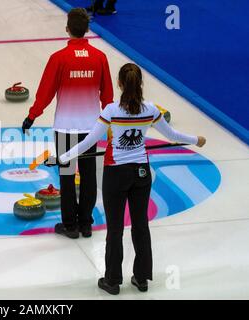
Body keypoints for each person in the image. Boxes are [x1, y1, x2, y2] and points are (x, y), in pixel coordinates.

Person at [56, 63, 206, 294]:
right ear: (140, 84)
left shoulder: (111, 110)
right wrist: (196, 139)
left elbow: (87, 143)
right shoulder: (151, 110)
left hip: (116, 173)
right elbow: (173, 136)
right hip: (141, 173)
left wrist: (64, 156)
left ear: (119, 83)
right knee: (140, 226)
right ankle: (142, 278)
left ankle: (113, 281)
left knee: (115, 229)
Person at [22, 8, 114, 239]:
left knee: (66, 174)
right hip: (92, 127)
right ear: (87, 29)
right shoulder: (100, 58)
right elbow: (108, 96)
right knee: (89, 175)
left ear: (67, 29)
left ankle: (70, 226)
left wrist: (32, 116)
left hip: (65, 127)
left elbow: (45, 93)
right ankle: (85, 223)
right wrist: (111, 124)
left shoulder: (59, 58)